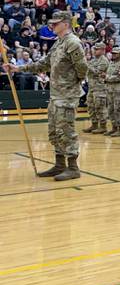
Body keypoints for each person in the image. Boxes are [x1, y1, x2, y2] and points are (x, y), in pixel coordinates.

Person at [4, 11, 88, 180]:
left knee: (67, 131)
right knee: (54, 132)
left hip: (67, 96)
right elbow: (43, 64)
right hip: (56, 95)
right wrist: (18, 68)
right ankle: (59, 165)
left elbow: (83, 69)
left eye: (56, 23)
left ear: (65, 23)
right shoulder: (59, 43)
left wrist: (72, 85)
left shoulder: (73, 43)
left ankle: (73, 168)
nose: (52, 26)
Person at [83, 42, 110, 134]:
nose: (94, 51)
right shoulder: (94, 60)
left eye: (97, 49)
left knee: (100, 107)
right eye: (94, 49)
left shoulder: (104, 61)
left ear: (103, 50)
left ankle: (103, 126)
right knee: (91, 106)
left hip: (100, 88)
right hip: (92, 87)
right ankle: (94, 124)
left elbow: (97, 72)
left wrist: (87, 65)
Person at [104, 47, 120, 137]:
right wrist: (106, 77)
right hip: (110, 90)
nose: (113, 54)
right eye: (112, 53)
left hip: (118, 91)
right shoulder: (111, 63)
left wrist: (107, 77)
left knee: (119, 110)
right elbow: (108, 74)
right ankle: (114, 128)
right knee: (111, 110)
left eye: (115, 53)